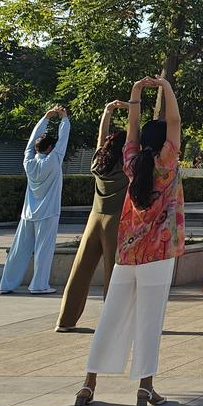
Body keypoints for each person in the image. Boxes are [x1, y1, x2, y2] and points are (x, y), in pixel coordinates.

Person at [74, 76, 183, 406]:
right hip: (159, 252)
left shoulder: (132, 162)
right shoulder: (167, 162)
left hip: (127, 251)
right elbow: (176, 121)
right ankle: (145, 388)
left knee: (111, 316)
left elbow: (132, 127)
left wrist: (137, 90)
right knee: (150, 321)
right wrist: (165, 86)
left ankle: (88, 383)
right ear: (166, 141)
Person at [57, 101, 128, 331]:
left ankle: (65, 320)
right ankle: (111, 323)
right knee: (113, 272)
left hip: (94, 218)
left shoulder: (98, 161)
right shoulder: (126, 166)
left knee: (80, 269)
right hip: (116, 220)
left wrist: (106, 112)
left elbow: (101, 138)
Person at [0, 105, 71, 295]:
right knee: (43, 251)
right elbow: (63, 140)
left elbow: (31, 143)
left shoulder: (28, 161)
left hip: (28, 213)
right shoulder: (54, 160)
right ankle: (39, 285)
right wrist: (64, 119)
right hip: (48, 213)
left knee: (18, 250)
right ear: (50, 148)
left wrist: (46, 118)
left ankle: (6, 284)